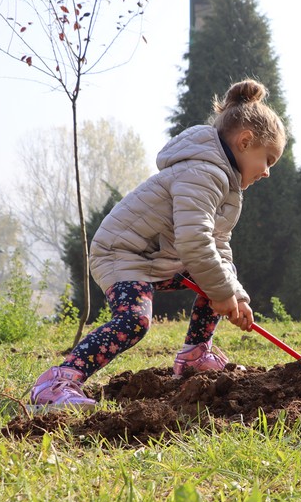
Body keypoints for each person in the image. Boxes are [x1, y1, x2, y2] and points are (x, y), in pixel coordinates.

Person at [29, 78, 287, 409]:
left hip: (161, 258)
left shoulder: (226, 186)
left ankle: (195, 355)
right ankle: (58, 381)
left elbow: (217, 247)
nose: (267, 172)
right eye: (268, 160)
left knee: (218, 277)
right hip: (123, 256)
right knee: (134, 322)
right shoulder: (202, 173)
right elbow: (194, 242)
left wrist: (235, 295)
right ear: (245, 141)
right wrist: (221, 292)